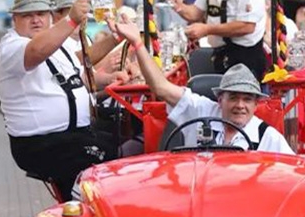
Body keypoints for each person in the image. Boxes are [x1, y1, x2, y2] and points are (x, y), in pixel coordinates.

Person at [0, 0, 117, 202]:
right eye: (27, 15)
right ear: (14, 20)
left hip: (71, 136)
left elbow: (80, 74)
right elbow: (35, 51)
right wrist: (70, 21)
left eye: (41, 13)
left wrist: (117, 39)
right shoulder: (12, 46)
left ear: (50, 16)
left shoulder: (59, 44)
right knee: (111, 160)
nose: (36, 19)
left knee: (125, 141)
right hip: (43, 142)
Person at [110, 19, 294, 154]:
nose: (240, 105)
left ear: (256, 105)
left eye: (247, 99)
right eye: (233, 97)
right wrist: (138, 43)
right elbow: (160, 87)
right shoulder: (201, 109)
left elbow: (292, 171)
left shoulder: (268, 137)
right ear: (220, 100)